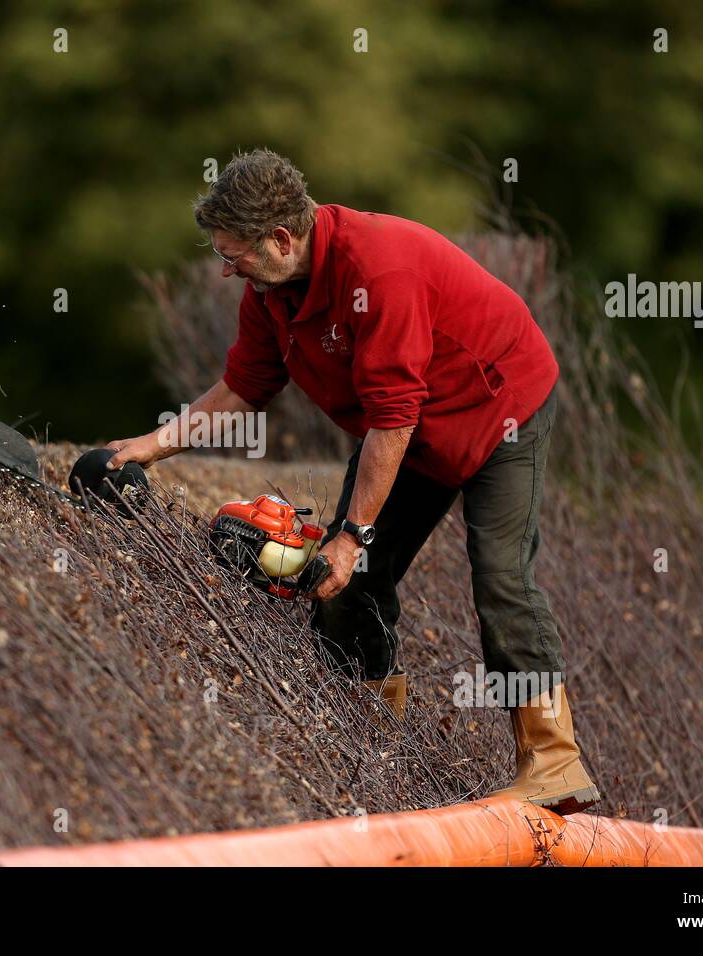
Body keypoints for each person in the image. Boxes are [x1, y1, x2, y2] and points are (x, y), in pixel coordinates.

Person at [106, 148, 600, 814]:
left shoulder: (379, 267)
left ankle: (554, 763)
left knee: (500, 576)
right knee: (347, 586)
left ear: (281, 238)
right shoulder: (270, 291)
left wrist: (352, 534)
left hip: (499, 408)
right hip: (415, 429)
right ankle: (376, 749)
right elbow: (245, 388)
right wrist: (152, 446)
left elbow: (392, 421)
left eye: (236, 256)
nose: (227, 270)